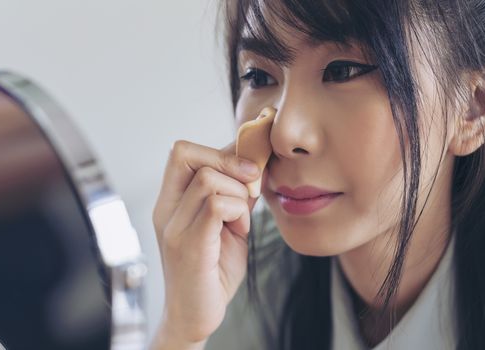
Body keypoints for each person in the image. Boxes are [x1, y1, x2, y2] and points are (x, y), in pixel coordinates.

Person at [150, 0, 485, 349]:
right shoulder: (250, 269)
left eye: (343, 71)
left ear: (472, 109)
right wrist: (181, 330)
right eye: (258, 76)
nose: (284, 135)